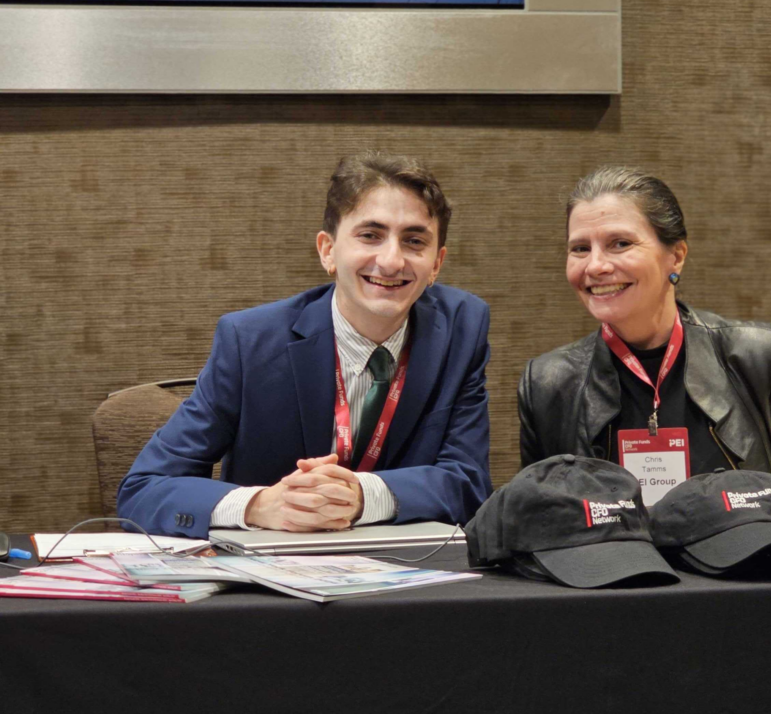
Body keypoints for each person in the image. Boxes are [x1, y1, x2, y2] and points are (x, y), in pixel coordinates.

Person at [118, 152, 492, 538]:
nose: (392, 260)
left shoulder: (462, 330)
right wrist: (260, 505)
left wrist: (363, 495)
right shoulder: (250, 342)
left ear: (436, 264)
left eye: (414, 241)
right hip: (273, 579)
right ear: (328, 250)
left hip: (412, 577)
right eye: (370, 235)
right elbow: (144, 488)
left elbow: (469, 483)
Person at [517, 166, 771, 491]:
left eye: (620, 243)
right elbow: (542, 521)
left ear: (676, 256)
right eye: (580, 248)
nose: (596, 265)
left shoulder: (761, 356)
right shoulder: (548, 384)